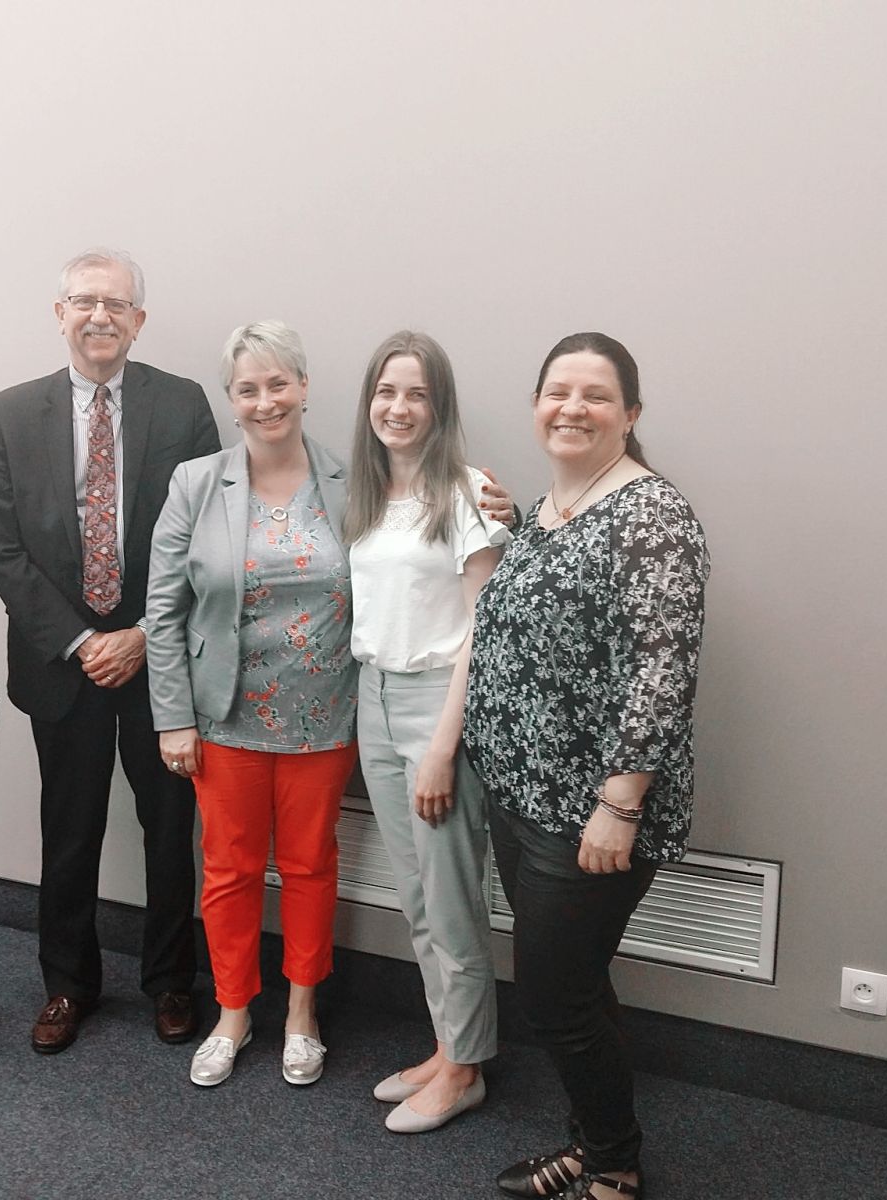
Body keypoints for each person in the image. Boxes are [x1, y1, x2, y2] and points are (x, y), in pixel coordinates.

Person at [463, 333, 709, 1199]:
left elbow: (661, 669)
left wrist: (621, 803)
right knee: (574, 985)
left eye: (596, 396)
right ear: (536, 405)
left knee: (554, 998)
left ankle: (612, 1168)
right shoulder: (548, 508)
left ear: (630, 415)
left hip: (591, 811)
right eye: (556, 392)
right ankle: (597, 1142)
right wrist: (510, 523)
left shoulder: (653, 517)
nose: (572, 408)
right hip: (522, 795)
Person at [0, 248, 220, 1053]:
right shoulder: (11, 413)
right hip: (63, 664)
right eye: (84, 301)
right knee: (69, 829)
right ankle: (68, 985)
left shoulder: (182, 405)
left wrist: (143, 634)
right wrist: (83, 641)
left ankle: (171, 981)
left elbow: (207, 536)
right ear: (61, 314)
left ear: (138, 320)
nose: (99, 316)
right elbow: (0, 543)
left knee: (169, 829)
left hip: (159, 659)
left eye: (116, 304)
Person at [145, 321, 359, 1088]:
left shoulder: (352, 480)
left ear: (303, 386)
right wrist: (173, 716)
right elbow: (163, 610)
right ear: (230, 400)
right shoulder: (197, 482)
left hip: (325, 714)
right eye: (248, 389)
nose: (265, 401)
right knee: (229, 869)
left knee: (309, 866)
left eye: (278, 384)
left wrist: (491, 503)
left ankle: (302, 1013)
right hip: (224, 715)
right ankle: (233, 1011)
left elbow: (415, 544)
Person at [345, 332, 509, 1133]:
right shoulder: (368, 495)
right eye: (386, 391)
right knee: (415, 897)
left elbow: (485, 628)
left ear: (438, 406)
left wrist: (444, 746)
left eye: (416, 394)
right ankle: (448, 1048)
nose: (398, 408)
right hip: (372, 699)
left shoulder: (466, 492)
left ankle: (467, 1070)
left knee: (450, 902)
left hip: (438, 707)